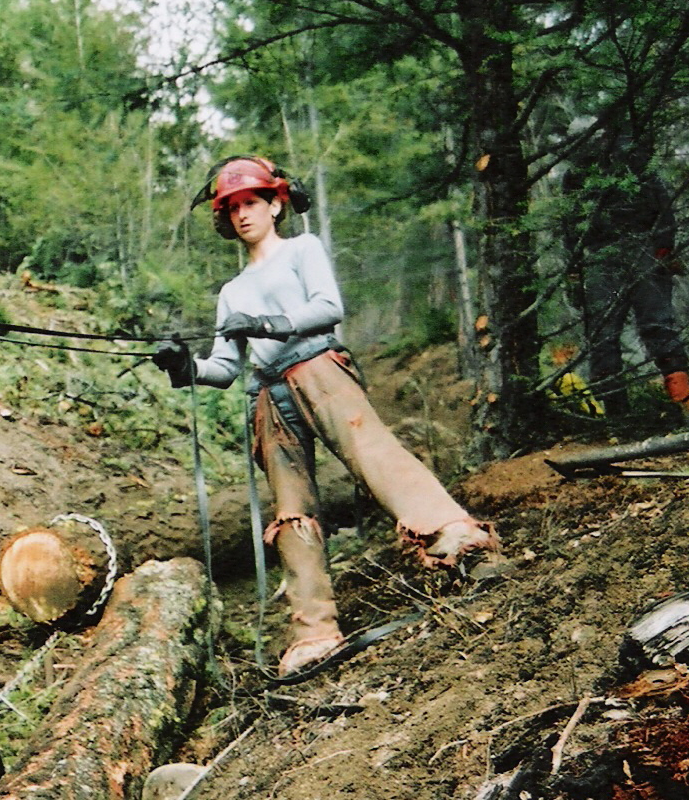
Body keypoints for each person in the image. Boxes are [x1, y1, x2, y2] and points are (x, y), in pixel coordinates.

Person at [153, 156, 501, 677]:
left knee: (371, 450)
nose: (243, 213)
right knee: (292, 511)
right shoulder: (231, 293)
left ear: (276, 205)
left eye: (252, 202)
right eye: (232, 207)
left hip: (318, 367)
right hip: (269, 393)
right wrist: (184, 367)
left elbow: (328, 307)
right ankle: (314, 631)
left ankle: (456, 538)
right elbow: (224, 369)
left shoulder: (302, 249)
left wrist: (267, 323)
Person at [562, 135, 689, 421]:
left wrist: (662, 248)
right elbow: (570, 222)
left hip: (642, 248)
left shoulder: (633, 160)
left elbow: (663, 206)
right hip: (601, 255)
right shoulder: (576, 174)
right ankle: (616, 415)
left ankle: (687, 405)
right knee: (604, 336)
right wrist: (575, 266)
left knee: (656, 326)